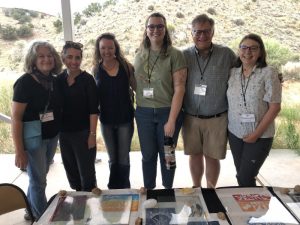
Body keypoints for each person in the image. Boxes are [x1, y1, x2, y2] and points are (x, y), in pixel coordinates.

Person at [134, 12, 187, 189]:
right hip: (144, 113)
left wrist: (172, 120)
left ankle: (167, 190)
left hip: (167, 112)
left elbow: (180, 88)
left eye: (159, 26)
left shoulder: (175, 55)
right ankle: (149, 189)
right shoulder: (139, 53)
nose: (155, 30)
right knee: (148, 155)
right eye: (151, 26)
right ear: (146, 29)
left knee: (167, 154)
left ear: (165, 30)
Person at [182, 14, 236, 188]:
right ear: (192, 33)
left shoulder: (226, 54)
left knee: (212, 156)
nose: (202, 36)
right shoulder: (183, 56)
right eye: (197, 32)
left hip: (217, 117)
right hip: (190, 117)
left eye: (206, 31)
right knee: (195, 155)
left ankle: (211, 189)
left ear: (213, 32)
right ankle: (196, 187)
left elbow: (245, 70)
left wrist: (267, 73)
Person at [11, 41, 62, 220]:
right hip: (34, 140)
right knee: (39, 182)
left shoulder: (54, 81)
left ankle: (29, 209)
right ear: (33, 60)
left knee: (38, 178)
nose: (46, 59)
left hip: (51, 136)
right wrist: (19, 151)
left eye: (49, 56)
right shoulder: (24, 83)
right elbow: (16, 118)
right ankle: (43, 219)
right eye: (41, 56)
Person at [227, 34, 282, 187]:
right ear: (239, 51)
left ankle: (254, 210)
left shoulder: (268, 73)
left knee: (246, 177)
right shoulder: (233, 73)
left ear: (260, 52)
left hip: (260, 136)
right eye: (244, 47)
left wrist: (255, 134)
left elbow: (275, 107)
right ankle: (249, 207)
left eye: (253, 48)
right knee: (241, 175)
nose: (248, 52)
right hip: (235, 133)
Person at [93, 33, 135, 189]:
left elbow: (136, 88)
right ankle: (113, 188)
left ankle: (124, 188)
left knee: (123, 158)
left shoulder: (126, 66)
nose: (107, 51)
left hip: (125, 120)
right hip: (106, 121)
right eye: (103, 48)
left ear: (115, 48)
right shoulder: (96, 69)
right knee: (113, 158)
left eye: (110, 47)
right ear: (99, 49)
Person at [58, 41, 98, 191]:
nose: (74, 61)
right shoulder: (58, 79)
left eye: (77, 58)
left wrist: (92, 135)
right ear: (63, 58)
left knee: (87, 175)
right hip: (64, 134)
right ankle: (79, 205)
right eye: (70, 57)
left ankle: (90, 206)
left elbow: (93, 110)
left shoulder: (88, 80)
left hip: (83, 133)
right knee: (72, 173)